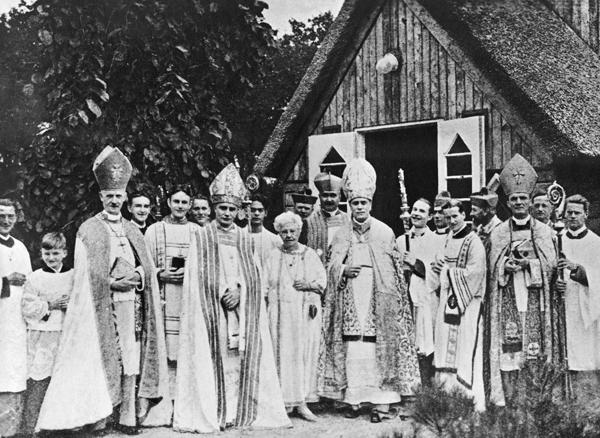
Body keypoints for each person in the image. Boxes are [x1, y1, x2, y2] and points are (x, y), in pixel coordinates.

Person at [37, 146, 169, 434]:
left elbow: (146, 266)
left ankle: (128, 417)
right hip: (100, 309)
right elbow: (85, 276)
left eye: (119, 196)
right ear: (101, 196)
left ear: (125, 197)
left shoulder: (133, 229)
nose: (114, 200)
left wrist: (136, 274)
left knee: (130, 358)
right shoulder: (88, 229)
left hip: (132, 305)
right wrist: (111, 283)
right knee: (101, 357)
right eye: (109, 196)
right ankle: (99, 414)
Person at [174, 163, 290, 433]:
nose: (227, 213)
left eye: (231, 208)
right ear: (215, 208)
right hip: (212, 311)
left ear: (240, 210)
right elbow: (194, 278)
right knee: (216, 357)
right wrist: (218, 294)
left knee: (238, 359)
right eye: (222, 208)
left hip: (240, 309)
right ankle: (217, 411)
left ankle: (239, 410)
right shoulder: (201, 237)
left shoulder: (245, 238)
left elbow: (255, 276)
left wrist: (241, 291)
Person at [319, 159, 419, 423]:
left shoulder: (385, 233)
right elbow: (330, 267)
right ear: (349, 205)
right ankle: (354, 400)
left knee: (376, 349)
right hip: (349, 297)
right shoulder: (340, 234)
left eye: (363, 203)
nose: (359, 207)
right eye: (355, 203)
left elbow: (396, 274)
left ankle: (381, 403)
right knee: (354, 349)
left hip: (378, 301)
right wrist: (342, 270)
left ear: (371, 204)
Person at [487, 153, 558, 407]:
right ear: (508, 202)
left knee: (534, 352)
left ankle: (535, 401)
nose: (518, 202)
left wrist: (531, 264)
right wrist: (504, 266)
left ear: (530, 202)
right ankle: (511, 401)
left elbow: (551, 268)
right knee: (510, 353)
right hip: (508, 298)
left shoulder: (545, 233)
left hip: (535, 300)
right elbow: (491, 269)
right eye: (514, 199)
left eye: (523, 199)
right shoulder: (497, 235)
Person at [143, 185, 199, 425]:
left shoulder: (197, 231)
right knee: (164, 351)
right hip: (163, 298)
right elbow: (145, 264)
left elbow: (204, 266)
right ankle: (161, 407)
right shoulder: (155, 230)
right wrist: (159, 274)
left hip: (187, 300)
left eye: (184, 203)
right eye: (176, 201)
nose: (180, 206)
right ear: (168, 203)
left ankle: (182, 405)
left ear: (190, 206)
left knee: (185, 351)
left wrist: (189, 273)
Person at [266, 212, 326, 421]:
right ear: (279, 233)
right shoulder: (273, 255)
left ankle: (301, 403)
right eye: (284, 232)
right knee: (282, 355)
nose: (289, 235)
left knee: (302, 355)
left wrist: (309, 286)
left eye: (292, 231)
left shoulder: (309, 254)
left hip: (303, 315)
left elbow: (321, 281)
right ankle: (284, 402)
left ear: (299, 231)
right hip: (280, 316)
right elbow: (266, 285)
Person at [431, 200, 486, 411]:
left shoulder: (474, 242)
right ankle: (446, 397)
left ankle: (467, 398)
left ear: (464, 215)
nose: (452, 221)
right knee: (444, 346)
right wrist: (436, 268)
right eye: (448, 217)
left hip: (467, 305)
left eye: (455, 216)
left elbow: (476, 273)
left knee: (464, 347)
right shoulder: (446, 239)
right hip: (447, 301)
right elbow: (439, 265)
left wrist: (447, 271)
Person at [20, 232, 73, 435]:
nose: (51, 258)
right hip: (42, 334)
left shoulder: (73, 275)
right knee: (39, 377)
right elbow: (27, 307)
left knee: (62, 378)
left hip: (66, 333)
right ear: (41, 253)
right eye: (47, 253)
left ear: (65, 253)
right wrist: (49, 305)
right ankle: (33, 426)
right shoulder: (35, 277)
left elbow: (82, 302)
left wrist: (71, 305)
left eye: (56, 253)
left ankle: (62, 425)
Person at [555, 194, 600, 398]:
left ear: (586, 215)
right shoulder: (557, 240)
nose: (571, 216)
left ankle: (586, 396)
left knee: (584, 356)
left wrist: (578, 270)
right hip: (562, 305)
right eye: (568, 213)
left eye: (576, 213)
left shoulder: (595, 243)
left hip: (585, 309)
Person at [396, 198, 443, 386]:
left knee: (425, 343)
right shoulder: (401, 241)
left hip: (426, 300)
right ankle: (408, 388)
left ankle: (426, 388)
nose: (416, 213)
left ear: (430, 216)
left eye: (422, 211)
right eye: (414, 209)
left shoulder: (436, 241)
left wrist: (416, 264)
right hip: (406, 299)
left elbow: (437, 275)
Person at [0, 199, 32, 438]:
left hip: (17, 319)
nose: (6, 220)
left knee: (15, 367)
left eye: (10, 216)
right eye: (1, 215)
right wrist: (5, 281)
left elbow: (30, 281)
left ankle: (13, 429)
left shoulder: (20, 247)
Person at [306, 172, 349, 263]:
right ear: (319, 197)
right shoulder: (309, 221)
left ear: (340, 197)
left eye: (333, 195)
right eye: (325, 195)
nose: (329, 199)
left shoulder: (348, 221)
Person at [248, 193, 281, 271]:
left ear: (265, 213)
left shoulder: (274, 240)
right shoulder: (239, 236)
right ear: (247, 212)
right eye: (253, 210)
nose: (256, 213)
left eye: (260, 210)